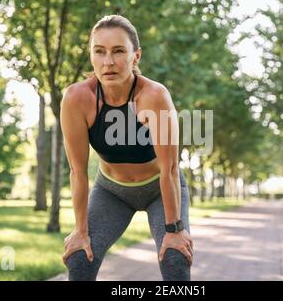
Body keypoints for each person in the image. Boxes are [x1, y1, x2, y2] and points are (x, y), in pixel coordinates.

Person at [60, 14, 193, 281]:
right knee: (79, 259)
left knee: (175, 259)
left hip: (160, 187)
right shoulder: (77, 98)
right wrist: (80, 230)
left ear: (136, 56)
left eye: (119, 51)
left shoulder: (154, 96)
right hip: (112, 191)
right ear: (91, 57)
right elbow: (77, 171)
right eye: (99, 52)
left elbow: (169, 169)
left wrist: (174, 229)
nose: (108, 62)